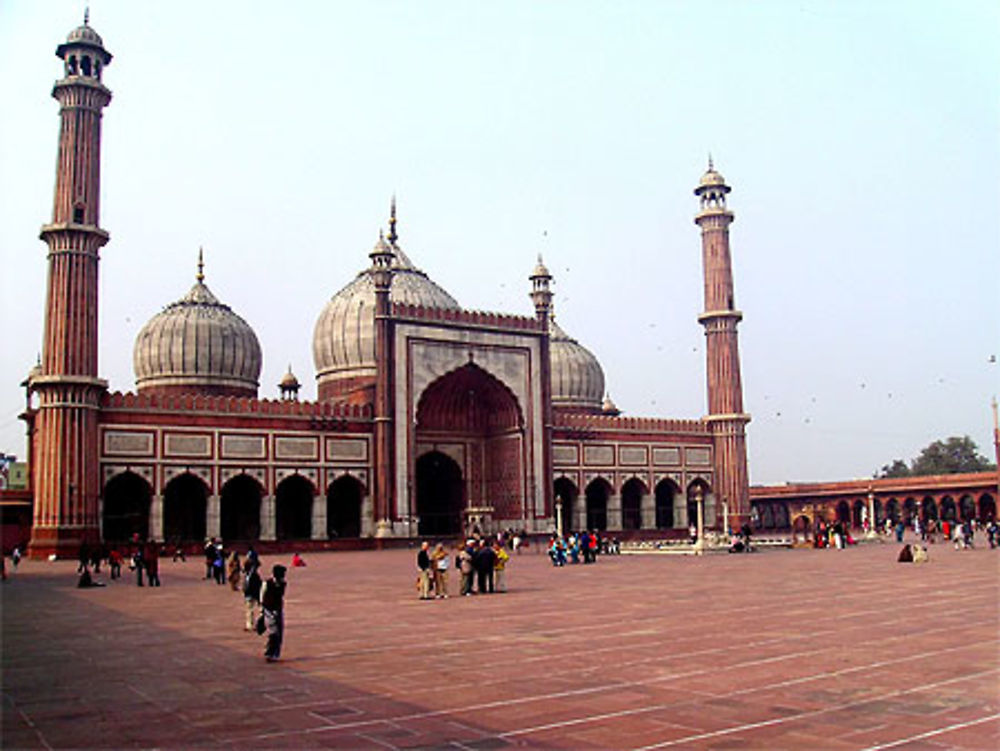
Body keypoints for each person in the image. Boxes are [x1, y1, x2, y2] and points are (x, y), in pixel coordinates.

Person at [260, 564, 287, 661]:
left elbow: (280, 596)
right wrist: (263, 609)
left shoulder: (282, 583)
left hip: (278, 609)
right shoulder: (267, 583)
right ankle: (270, 653)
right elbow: (262, 596)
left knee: (278, 632)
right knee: (273, 632)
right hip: (269, 610)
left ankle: (274, 653)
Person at [243, 559, 262, 631]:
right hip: (249, 595)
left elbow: (257, 586)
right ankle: (250, 625)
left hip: (253, 594)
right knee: (249, 611)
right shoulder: (249, 574)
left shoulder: (254, 575)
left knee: (258, 610)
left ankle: (258, 624)